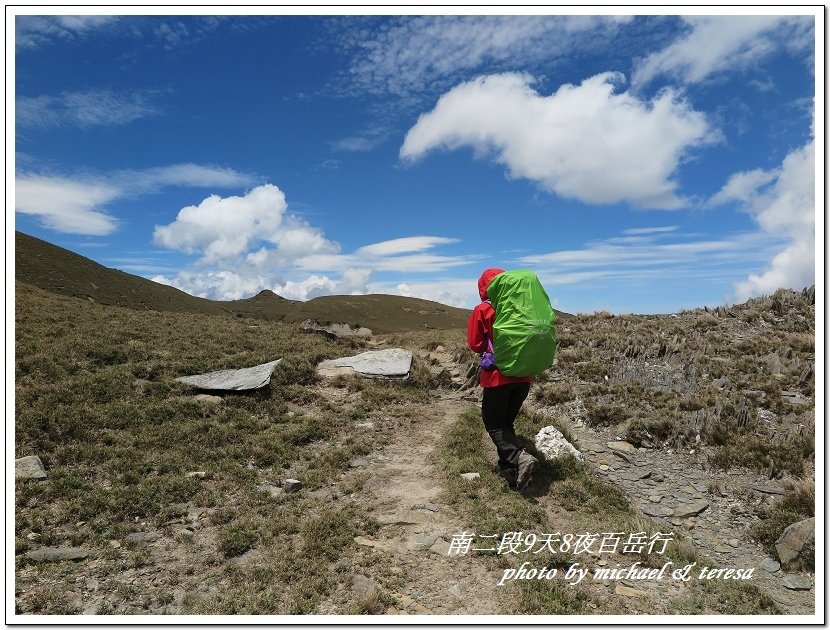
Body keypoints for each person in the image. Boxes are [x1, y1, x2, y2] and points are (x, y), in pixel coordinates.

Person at [467, 268, 539, 491]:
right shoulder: (523, 308)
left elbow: (475, 344)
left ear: (484, 287)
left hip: (498, 377)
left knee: (494, 422)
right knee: (506, 422)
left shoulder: (484, 309)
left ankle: (519, 457)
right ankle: (510, 473)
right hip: (524, 376)